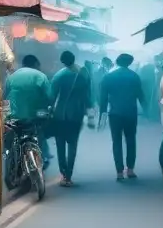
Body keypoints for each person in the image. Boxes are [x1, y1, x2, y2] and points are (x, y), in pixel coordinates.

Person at [99, 53, 145, 181]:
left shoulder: (108, 77)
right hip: (131, 113)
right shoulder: (134, 76)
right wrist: (148, 111)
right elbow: (140, 95)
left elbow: (102, 98)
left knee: (117, 142)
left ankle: (119, 171)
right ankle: (130, 170)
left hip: (115, 114)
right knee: (131, 140)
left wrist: (102, 115)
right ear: (129, 63)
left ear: (117, 62)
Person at [50, 50, 92, 186]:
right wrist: (89, 114)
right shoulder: (84, 74)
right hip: (76, 115)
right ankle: (69, 175)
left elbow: (52, 97)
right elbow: (88, 96)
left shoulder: (59, 75)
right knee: (73, 145)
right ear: (74, 59)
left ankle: (63, 173)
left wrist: (48, 110)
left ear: (62, 61)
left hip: (60, 115)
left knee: (60, 146)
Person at [4, 54, 53, 168]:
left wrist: (5, 117)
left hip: (14, 116)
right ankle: (44, 154)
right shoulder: (41, 76)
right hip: (35, 115)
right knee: (41, 129)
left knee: (13, 139)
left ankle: (13, 159)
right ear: (36, 64)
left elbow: (4, 98)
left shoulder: (11, 77)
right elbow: (50, 97)